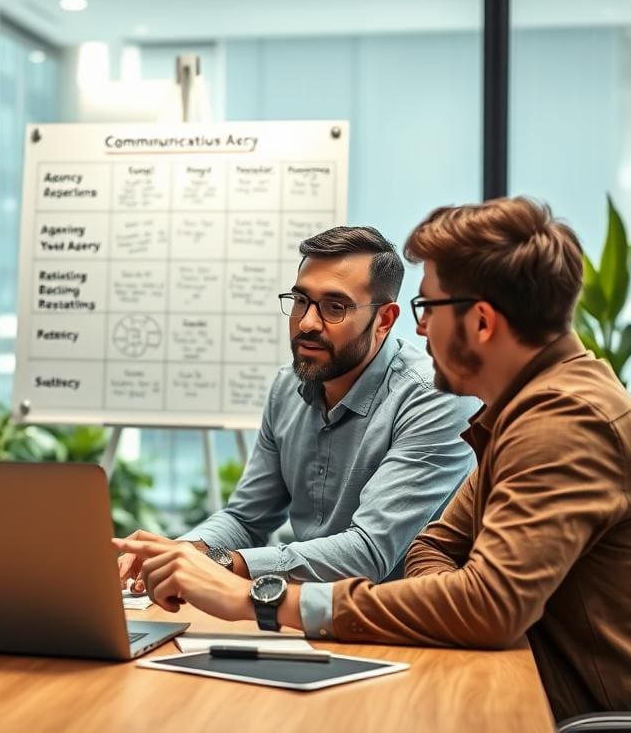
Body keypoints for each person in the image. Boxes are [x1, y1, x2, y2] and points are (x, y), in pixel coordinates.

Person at [115, 197, 631, 720]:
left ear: (480, 322)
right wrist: (452, 595)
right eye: (300, 301)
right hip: (506, 684)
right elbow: (435, 549)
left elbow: (488, 606)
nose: (419, 330)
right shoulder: (523, 408)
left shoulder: (565, 422)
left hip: (572, 713)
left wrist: (261, 597)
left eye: (427, 309)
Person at [118, 226, 478, 598]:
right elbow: (246, 518)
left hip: (400, 625)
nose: (306, 323)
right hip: (298, 614)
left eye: (334, 307)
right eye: (300, 300)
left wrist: (219, 561)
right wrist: (178, 552)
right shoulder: (286, 387)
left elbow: (369, 552)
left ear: (384, 320)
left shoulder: (436, 396)